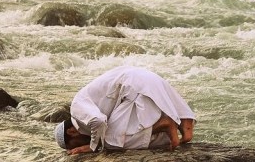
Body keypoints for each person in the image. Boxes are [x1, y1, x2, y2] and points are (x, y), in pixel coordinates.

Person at [54, 66, 195, 155]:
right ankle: (185, 122)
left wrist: (93, 147)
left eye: (72, 146)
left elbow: (99, 121)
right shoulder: (84, 98)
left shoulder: (76, 110)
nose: (77, 147)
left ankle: (165, 124)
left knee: (112, 142)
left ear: (71, 132)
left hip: (132, 86)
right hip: (146, 77)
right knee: (115, 133)